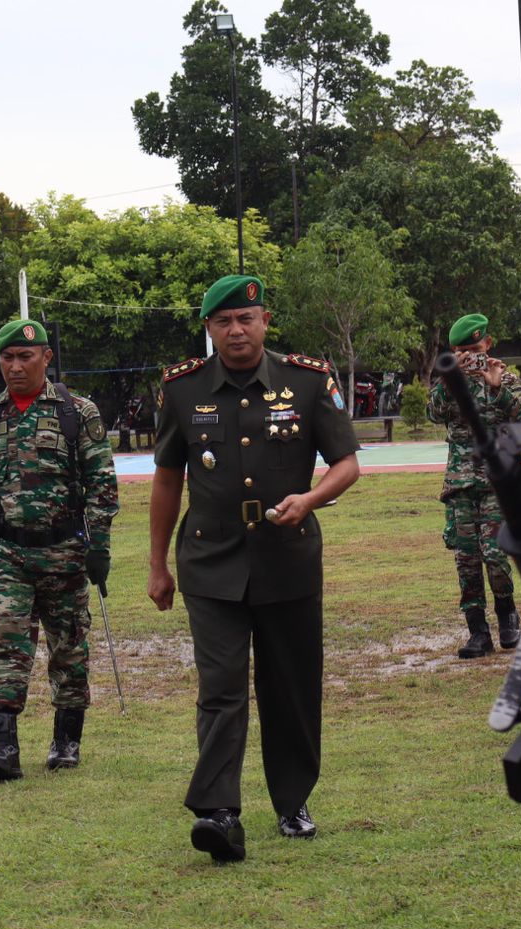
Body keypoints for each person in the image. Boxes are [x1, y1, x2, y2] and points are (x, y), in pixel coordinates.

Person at [148, 274, 361, 862]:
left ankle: (292, 801)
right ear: (210, 329)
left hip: (286, 559)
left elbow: (345, 463)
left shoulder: (309, 380)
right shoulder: (182, 389)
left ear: (265, 322)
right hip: (209, 562)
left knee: (290, 686)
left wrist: (310, 500)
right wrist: (157, 565)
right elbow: (167, 478)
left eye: (247, 319)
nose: (236, 331)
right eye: (223, 322)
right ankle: (219, 811)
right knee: (220, 687)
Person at [0, 319, 118, 780]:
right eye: (7, 358)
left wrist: (99, 548)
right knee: (5, 642)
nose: (15, 366)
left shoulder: (76, 412)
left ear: (46, 358)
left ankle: (66, 742)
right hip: (10, 554)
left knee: (68, 649)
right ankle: (4, 750)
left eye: (25, 357)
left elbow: (101, 485)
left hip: (66, 551)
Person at [427, 314, 521, 657]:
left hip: (496, 483)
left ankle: (508, 618)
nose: (471, 356)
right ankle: (477, 632)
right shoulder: (448, 381)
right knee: (467, 560)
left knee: (495, 554)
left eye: (475, 349)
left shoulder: (505, 378)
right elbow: (433, 413)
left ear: (488, 344)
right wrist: (449, 378)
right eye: (462, 351)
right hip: (459, 482)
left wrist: (497, 388)